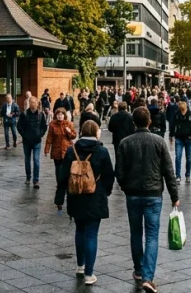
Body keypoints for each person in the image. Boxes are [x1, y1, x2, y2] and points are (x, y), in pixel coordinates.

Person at [115, 106, 179, 293]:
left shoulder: (125, 143)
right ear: (149, 121)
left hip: (133, 194)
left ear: (133, 122)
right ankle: (148, 277)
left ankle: (138, 270)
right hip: (153, 194)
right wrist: (174, 196)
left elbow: (119, 171)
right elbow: (168, 171)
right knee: (151, 236)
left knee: (136, 233)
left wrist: (126, 187)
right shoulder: (158, 141)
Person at [55, 120, 115, 286]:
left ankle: (80, 266)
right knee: (91, 234)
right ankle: (89, 273)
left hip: (75, 196)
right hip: (95, 197)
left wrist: (59, 199)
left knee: (79, 230)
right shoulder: (102, 151)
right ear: (96, 132)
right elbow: (110, 176)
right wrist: (106, 192)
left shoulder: (70, 150)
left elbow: (62, 176)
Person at [19, 97, 47, 188]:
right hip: (27, 141)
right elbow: (19, 126)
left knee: (36, 160)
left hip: (37, 141)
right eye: (31, 102)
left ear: (37, 103)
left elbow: (44, 126)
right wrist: (24, 135)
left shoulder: (41, 114)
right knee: (27, 160)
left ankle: (36, 180)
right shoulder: (24, 114)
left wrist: (40, 134)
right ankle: (28, 177)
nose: (32, 104)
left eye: (34, 102)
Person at [44, 108, 77, 179]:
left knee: (66, 168)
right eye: (58, 115)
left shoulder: (69, 124)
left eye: (61, 114)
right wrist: (47, 150)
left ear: (64, 115)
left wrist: (69, 132)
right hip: (56, 150)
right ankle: (59, 183)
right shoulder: (52, 124)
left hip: (66, 150)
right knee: (58, 168)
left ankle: (65, 183)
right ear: (56, 115)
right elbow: (49, 138)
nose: (60, 116)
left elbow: (74, 136)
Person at [170, 101, 191, 183]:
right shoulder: (176, 114)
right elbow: (172, 124)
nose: (182, 111)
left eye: (183, 110)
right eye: (181, 110)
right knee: (178, 157)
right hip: (179, 138)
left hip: (189, 138)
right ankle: (178, 175)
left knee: (189, 158)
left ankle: (187, 175)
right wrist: (172, 134)